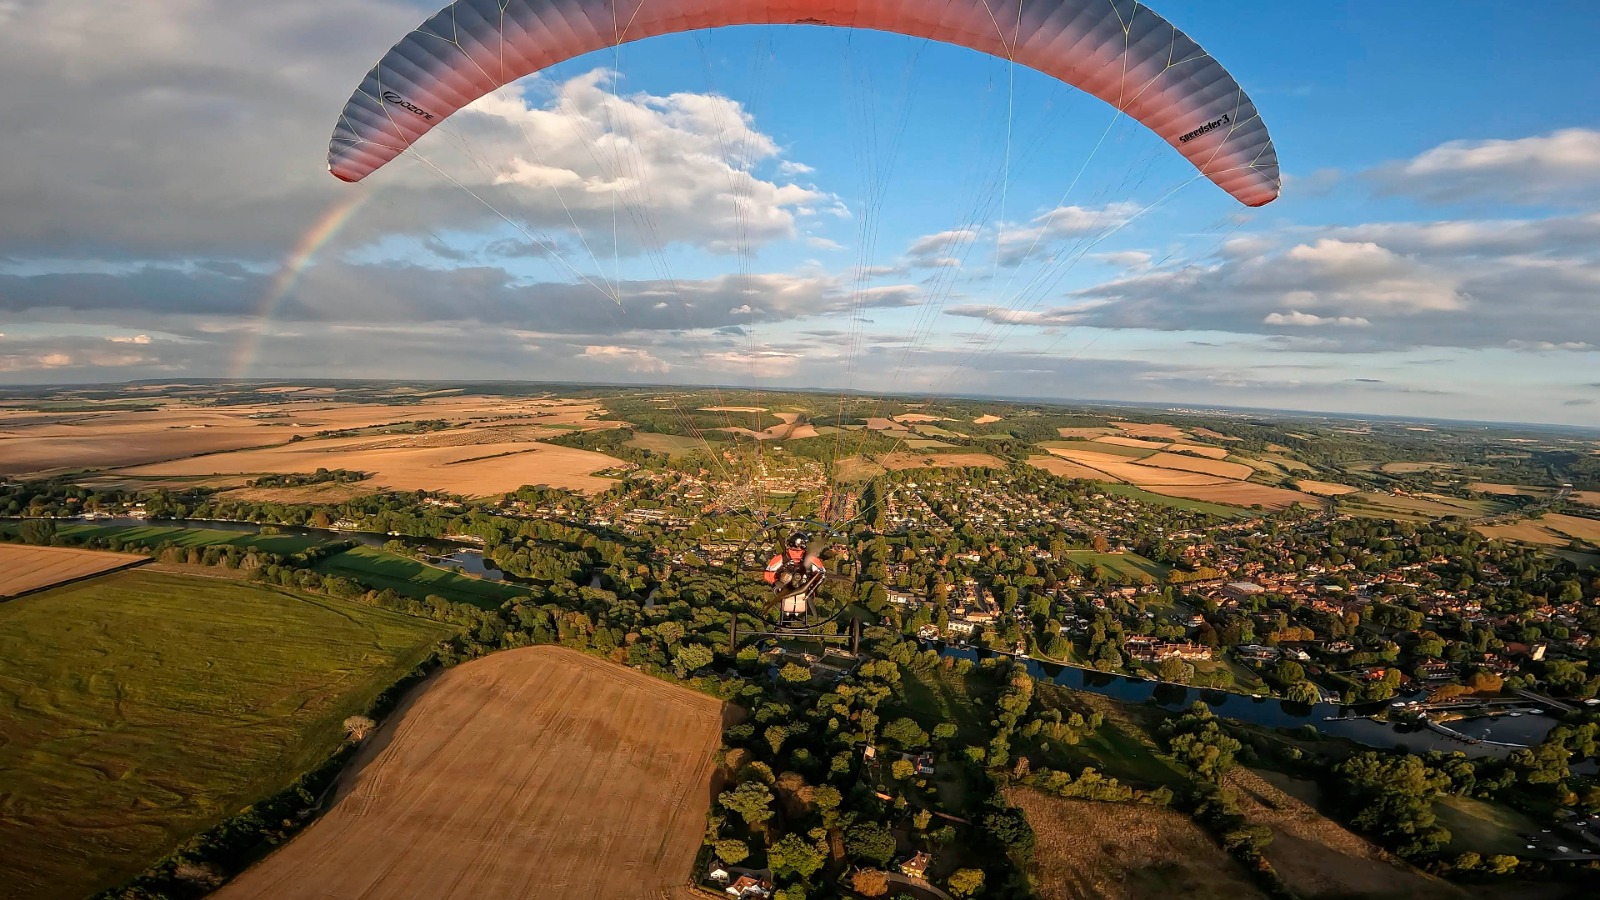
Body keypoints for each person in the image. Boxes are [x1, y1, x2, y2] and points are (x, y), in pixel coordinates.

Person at [763, 532, 826, 620]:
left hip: (784, 592)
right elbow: (821, 574)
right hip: (804, 592)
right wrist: (812, 583)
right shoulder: (812, 559)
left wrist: (777, 582)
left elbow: (767, 575)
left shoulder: (780, 558)